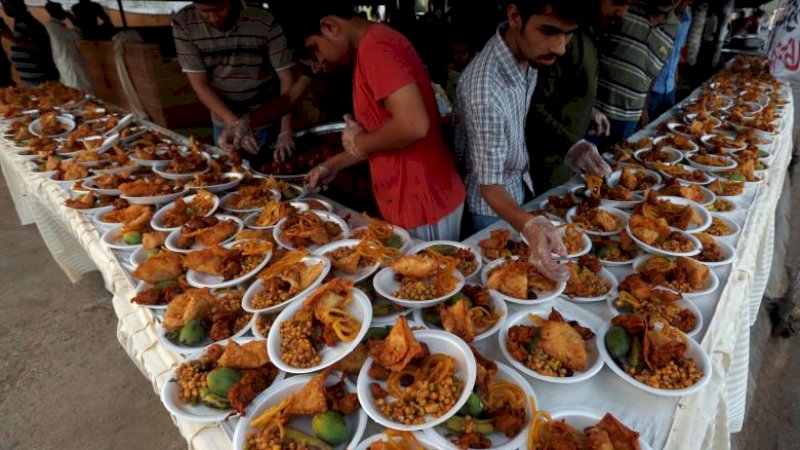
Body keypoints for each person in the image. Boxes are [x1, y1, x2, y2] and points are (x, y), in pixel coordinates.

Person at [299, 2, 466, 241]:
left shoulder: (376, 47)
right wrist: (333, 164)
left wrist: (359, 142)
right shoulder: (371, 46)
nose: (317, 63)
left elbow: (413, 125)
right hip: (411, 197)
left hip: (421, 200)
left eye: (312, 52)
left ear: (329, 26)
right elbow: (385, 134)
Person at [454, 0, 584, 281]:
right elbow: (489, 187)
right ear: (515, 16)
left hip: (517, 186)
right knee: (507, 281)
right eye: (548, 31)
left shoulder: (527, 56)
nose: (560, 47)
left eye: (568, 34)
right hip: (490, 207)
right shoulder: (485, 90)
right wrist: (531, 225)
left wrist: (572, 145)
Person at [171, 0, 297, 164]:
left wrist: (285, 130)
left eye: (219, 9)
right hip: (223, 119)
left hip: (267, 116)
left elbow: (288, 80)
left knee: (272, 172)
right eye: (204, 11)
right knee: (232, 174)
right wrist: (233, 123)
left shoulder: (264, 20)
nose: (213, 18)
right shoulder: (184, 22)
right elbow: (199, 84)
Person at [526, 0, 631, 194]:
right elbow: (533, 106)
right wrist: (572, 145)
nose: (622, 13)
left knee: (596, 198)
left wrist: (588, 111)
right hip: (551, 166)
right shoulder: (567, 40)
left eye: (627, 5)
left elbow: (565, 89)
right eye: (617, 3)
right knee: (567, 214)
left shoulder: (591, 34)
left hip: (573, 160)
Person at [594, 0, 681, 147]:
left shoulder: (674, 27)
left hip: (629, 117)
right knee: (582, 165)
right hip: (596, 108)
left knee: (614, 164)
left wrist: (643, 110)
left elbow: (652, 74)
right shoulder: (626, 6)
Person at [646, 0, 692, 122]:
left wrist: (676, 79)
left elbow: (676, 53)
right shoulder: (659, 14)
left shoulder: (688, 19)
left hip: (670, 88)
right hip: (651, 90)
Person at [0, 0, 59, 87]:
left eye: (6, 4)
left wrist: (10, 37)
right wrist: (6, 30)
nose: (5, 8)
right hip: (33, 77)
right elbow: (22, 42)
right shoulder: (20, 22)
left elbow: (38, 46)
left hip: (40, 77)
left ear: (17, 5)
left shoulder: (28, 22)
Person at [43, 1, 93, 94]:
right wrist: (72, 19)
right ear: (55, 12)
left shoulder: (54, 25)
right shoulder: (54, 27)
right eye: (61, 10)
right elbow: (76, 36)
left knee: (80, 84)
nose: (63, 12)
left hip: (67, 60)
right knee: (78, 86)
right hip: (68, 61)